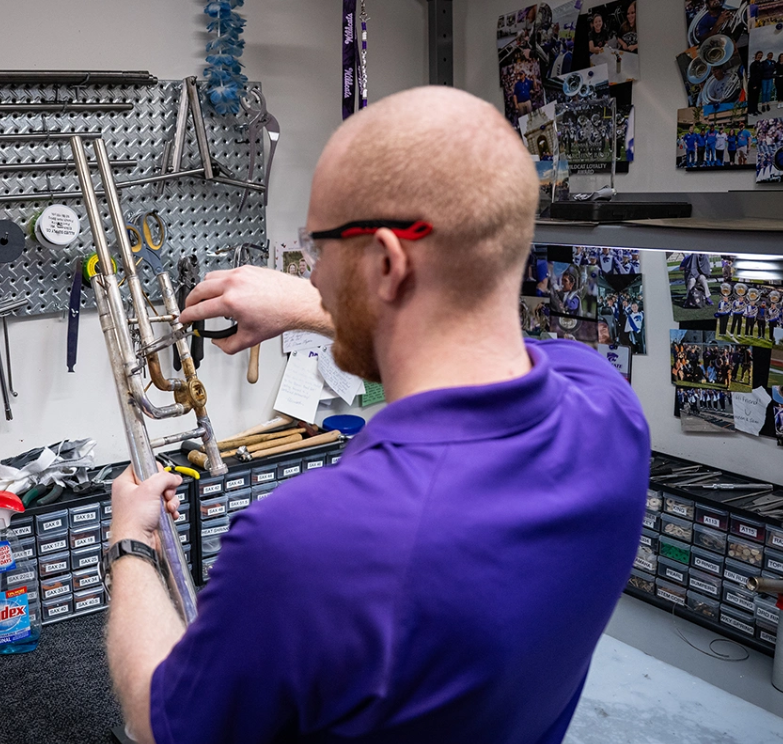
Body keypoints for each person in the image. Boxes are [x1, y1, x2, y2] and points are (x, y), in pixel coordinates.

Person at [104, 86, 650, 744]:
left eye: (320, 249)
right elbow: (469, 335)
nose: (314, 274)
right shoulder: (610, 406)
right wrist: (318, 306)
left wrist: (132, 543)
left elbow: (160, 721)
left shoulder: (306, 543)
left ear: (389, 263)